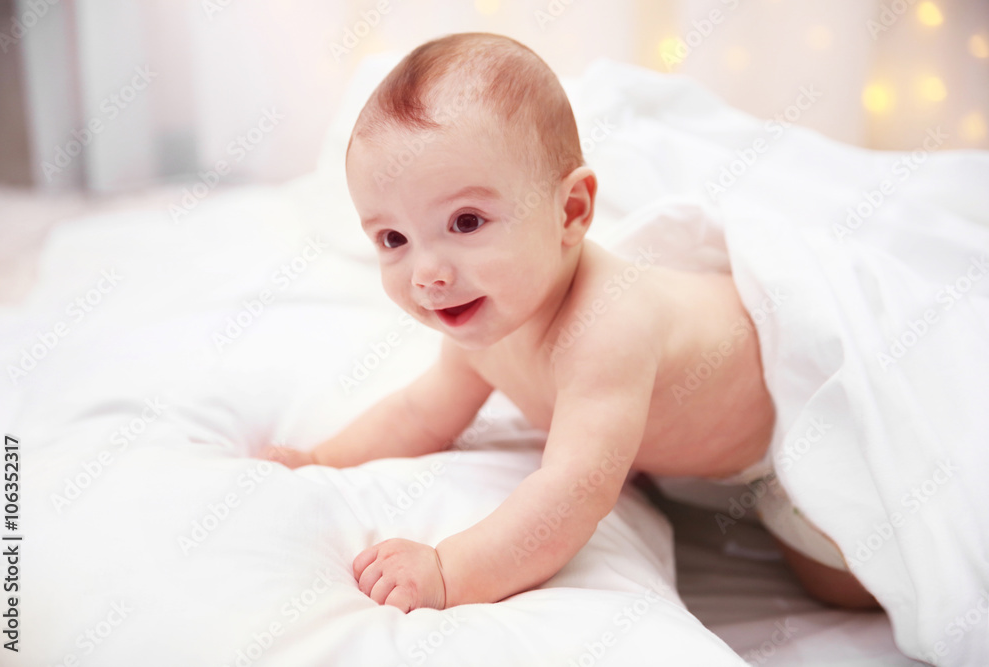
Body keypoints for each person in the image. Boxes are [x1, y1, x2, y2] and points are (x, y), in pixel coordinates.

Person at [259, 32, 876, 613]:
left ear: (571, 210)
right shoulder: (484, 323)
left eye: (466, 222)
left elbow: (574, 490)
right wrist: (320, 459)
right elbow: (421, 414)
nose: (427, 273)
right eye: (393, 238)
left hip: (787, 435)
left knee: (846, 584)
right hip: (690, 449)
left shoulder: (608, 327)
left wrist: (451, 571)